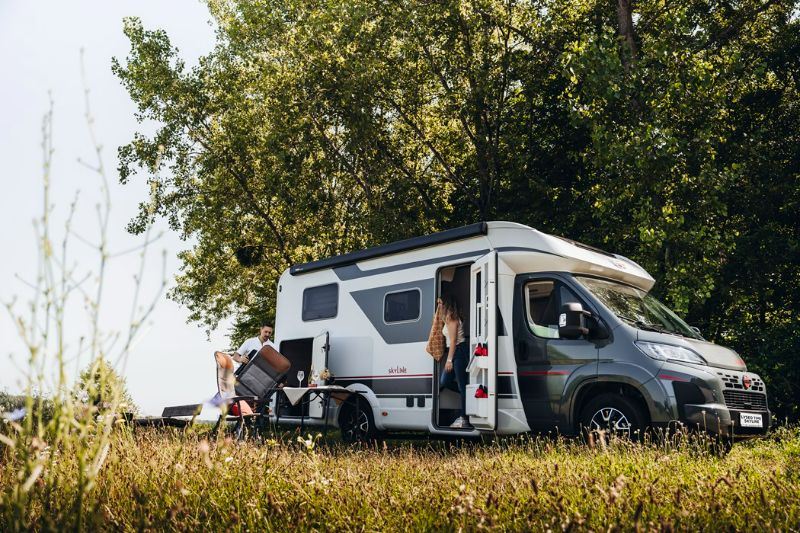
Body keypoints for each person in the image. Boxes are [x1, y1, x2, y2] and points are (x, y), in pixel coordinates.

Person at [214, 323, 275, 399]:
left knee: (252, 401)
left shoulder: (273, 347)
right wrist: (241, 359)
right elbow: (235, 356)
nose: (267, 334)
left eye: (269, 333)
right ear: (261, 329)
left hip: (259, 380)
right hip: (244, 375)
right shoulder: (249, 342)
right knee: (231, 396)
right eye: (266, 331)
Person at [438, 294, 471, 428]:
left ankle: (464, 418)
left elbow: (452, 341)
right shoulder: (448, 318)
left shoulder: (452, 319)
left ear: (447, 305)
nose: (439, 305)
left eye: (441, 303)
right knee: (444, 381)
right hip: (456, 351)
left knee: (462, 386)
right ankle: (468, 395)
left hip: (458, 351)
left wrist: (449, 360)